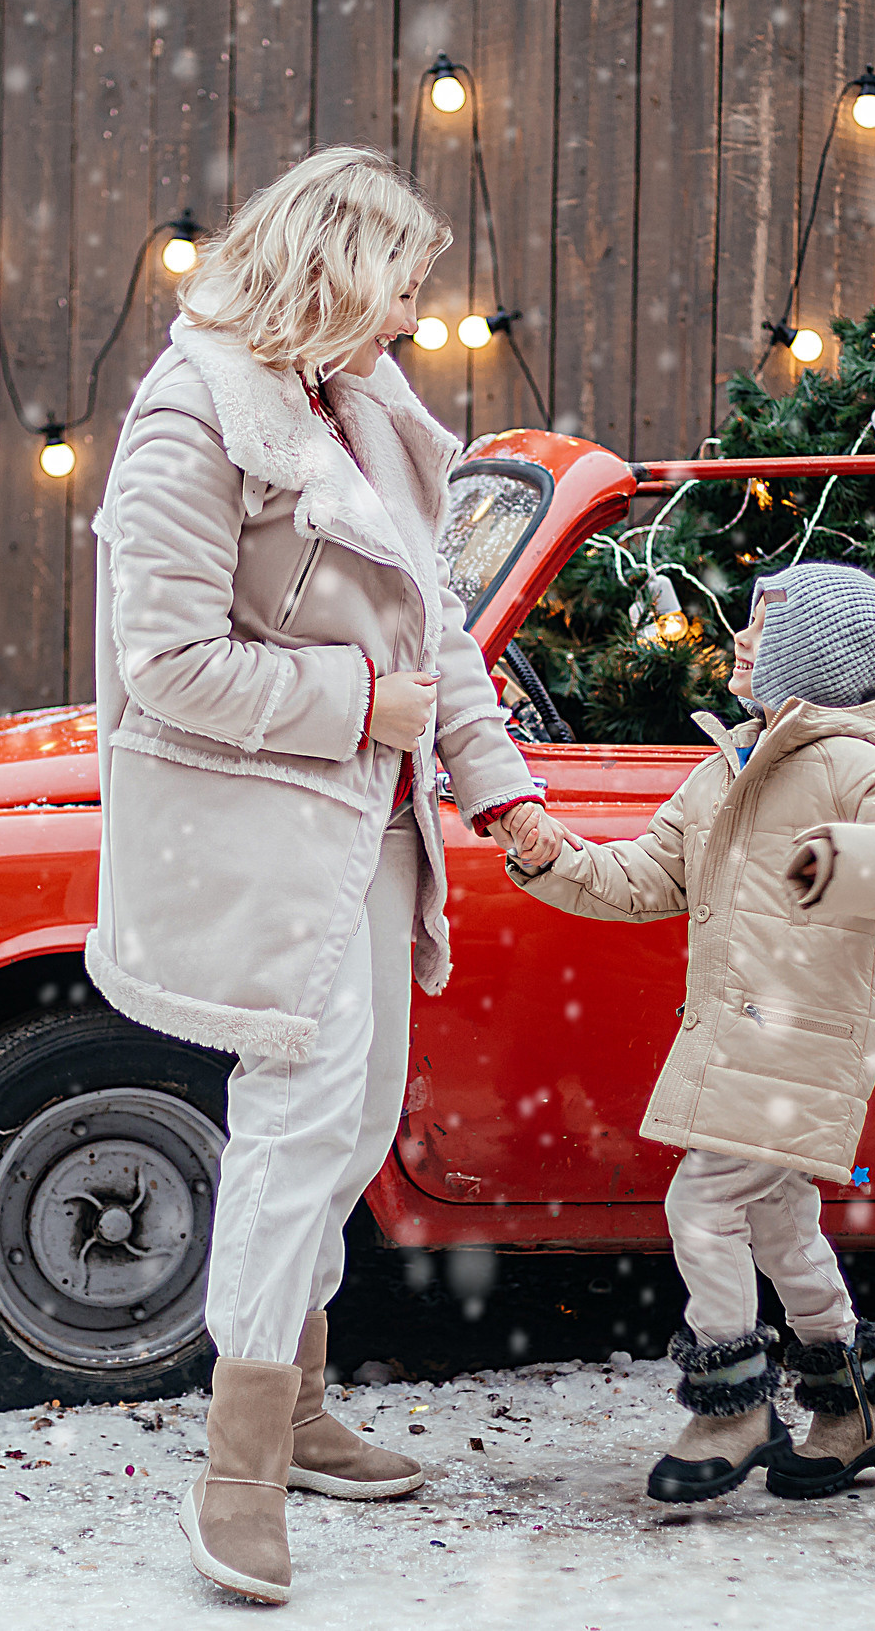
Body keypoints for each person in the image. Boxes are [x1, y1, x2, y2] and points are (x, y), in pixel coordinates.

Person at [86, 146, 568, 1604]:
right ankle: (235, 1467)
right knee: (297, 1123)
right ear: (333, 273)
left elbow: (442, 642)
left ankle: (295, 1404)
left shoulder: (367, 410)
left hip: (374, 830)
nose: (415, 320)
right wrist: (361, 705)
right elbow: (164, 667)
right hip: (267, 839)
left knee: (354, 1122)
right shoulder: (193, 420)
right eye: (401, 288)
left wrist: (508, 797)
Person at [498, 563, 875, 1503]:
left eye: (766, 630)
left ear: (817, 661)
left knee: (701, 1206)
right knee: (780, 1225)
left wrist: (839, 859)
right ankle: (855, 1407)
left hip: (803, 1036)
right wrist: (552, 858)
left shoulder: (850, 762)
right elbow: (644, 878)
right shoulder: (727, 768)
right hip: (741, 1033)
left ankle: (734, 1405)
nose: (741, 641)